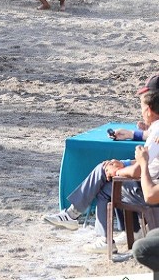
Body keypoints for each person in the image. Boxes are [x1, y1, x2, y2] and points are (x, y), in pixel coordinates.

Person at [44, 81, 159, 255]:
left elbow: (140, 169)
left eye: (142, 106)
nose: (141, 111)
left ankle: (80, 219)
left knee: (106, 180)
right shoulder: (155, 130)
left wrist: (118, 171)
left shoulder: (157, 132)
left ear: (149, 109)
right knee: (107, 168)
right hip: (148, 177)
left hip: (148, 184)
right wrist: (132, 142)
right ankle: (79, 217)